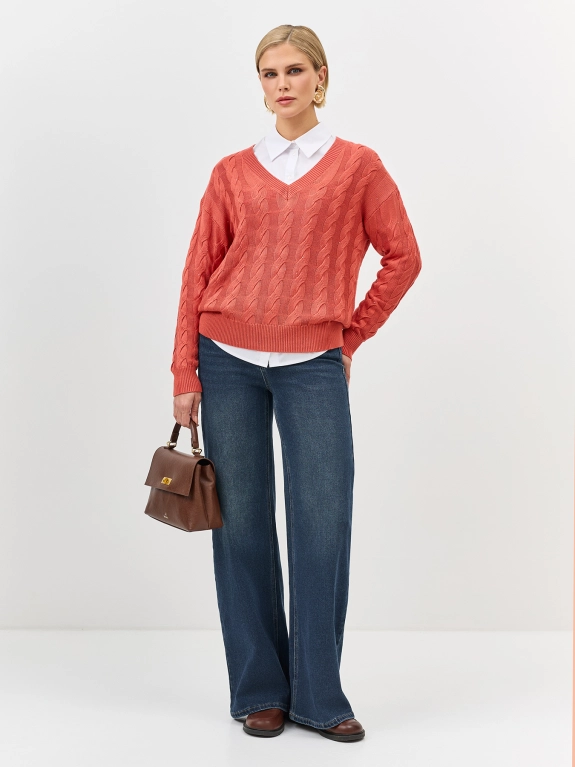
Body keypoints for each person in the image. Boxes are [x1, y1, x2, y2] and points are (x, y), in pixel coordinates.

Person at [170, 24, 422, 742]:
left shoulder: (357, 168)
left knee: (322, 523)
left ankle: (318, 694)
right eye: (268, 73)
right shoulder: (231, 172)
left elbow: (403, 257)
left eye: (294, 70)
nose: (281, 84)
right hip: (225, 357)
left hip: (313, 364)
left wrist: (350, 335)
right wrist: (184, 369)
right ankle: (259, 690)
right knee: (241, 525)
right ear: (260, 85)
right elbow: (197, 271)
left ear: (320, 77)